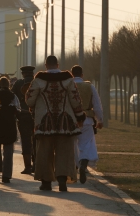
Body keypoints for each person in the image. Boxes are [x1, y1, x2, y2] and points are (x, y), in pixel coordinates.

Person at [25, 55, 85, 192]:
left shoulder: (39, 80)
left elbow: (29, 100)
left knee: (44, 151)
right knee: (64, 151)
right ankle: (62, 179)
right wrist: (80, 116)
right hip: (65, 121)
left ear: (46, 65)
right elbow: (75, 100)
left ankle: (46, 182)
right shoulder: (68, 79)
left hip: (44, 122)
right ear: (58, 65)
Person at [71, 65, 104, 184]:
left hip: (71, 120)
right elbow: (97, 105)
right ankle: (83, 163)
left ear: (71, 74)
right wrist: (100, 120)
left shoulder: (68, 85)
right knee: (85, 143)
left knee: (73, 144)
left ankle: (74, 166)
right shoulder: (89, 86)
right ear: (82, 75)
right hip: (87, 120)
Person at [0, 76, 20, 183]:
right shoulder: (13, 96)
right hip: (9, 126)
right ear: (8, 85)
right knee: (8, 151)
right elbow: (17, 109)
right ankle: (6, 175)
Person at [12, 66, 35, 174]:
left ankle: (28, 166)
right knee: (37, 139)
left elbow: (13, 98)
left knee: (25, 140)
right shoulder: (38, 82)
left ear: (23, 74)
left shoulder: (18, 84)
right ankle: (37, 164)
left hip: (23, 116)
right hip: (36, 115)